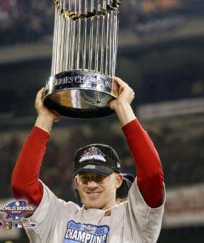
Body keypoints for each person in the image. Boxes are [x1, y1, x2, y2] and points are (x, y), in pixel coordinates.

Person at [11, 77, 165, 243]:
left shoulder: (134, 220)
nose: (92, 185)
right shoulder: (58, 218)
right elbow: (22, 185)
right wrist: (45, 118)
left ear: (118, 180)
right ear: (76, 182)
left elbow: (152, 176)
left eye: (100, 177)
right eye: (86, 178)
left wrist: (123, 108)